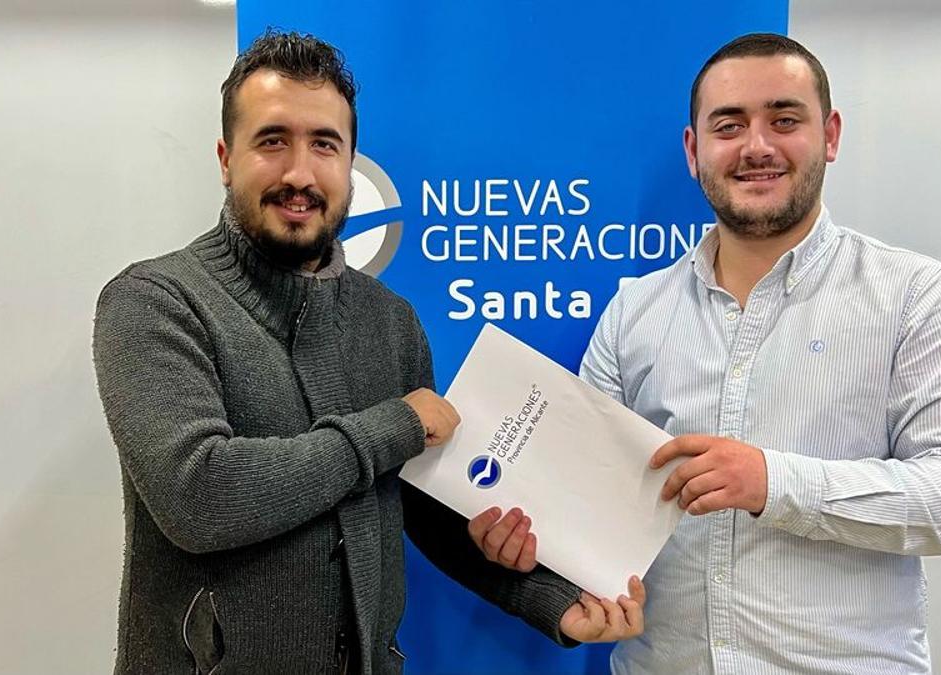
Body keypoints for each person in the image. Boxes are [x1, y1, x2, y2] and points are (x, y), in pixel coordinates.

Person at [93, 30, 642, 675]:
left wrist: (548, 600)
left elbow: (422, 509)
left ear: (350, 162)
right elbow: (201, 497)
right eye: (272, 141)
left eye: (324, 144)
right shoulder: (154, 301)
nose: (300, 173)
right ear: (225, 157)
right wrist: (397, 424)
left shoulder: (391, 322)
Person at [473, 33, 941, 673]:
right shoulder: (633, 313)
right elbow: (588, 500)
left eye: (784, 120)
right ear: (693, 150)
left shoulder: (919, 299)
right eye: (729, 126)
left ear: (831, 135)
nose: (757, 146)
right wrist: (535, 549)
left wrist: (774, 482)